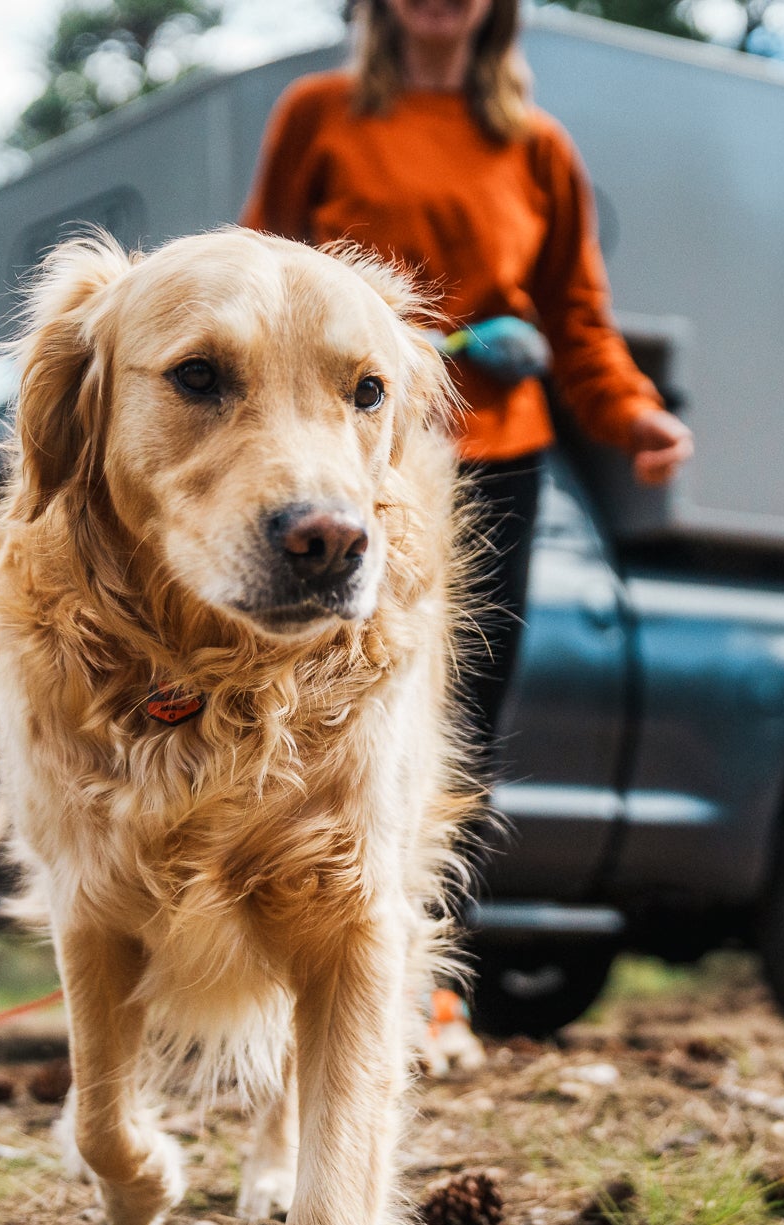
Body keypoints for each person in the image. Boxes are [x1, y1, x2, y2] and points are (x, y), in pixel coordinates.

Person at [243, 0, 695, 760]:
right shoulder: (316, 115)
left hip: (491, 465)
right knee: (317, 695)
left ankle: (443, 884)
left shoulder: (538, 147)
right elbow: (257, 281)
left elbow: (579, 322)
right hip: (348, 457)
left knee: (458, 722)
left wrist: (632, 413)